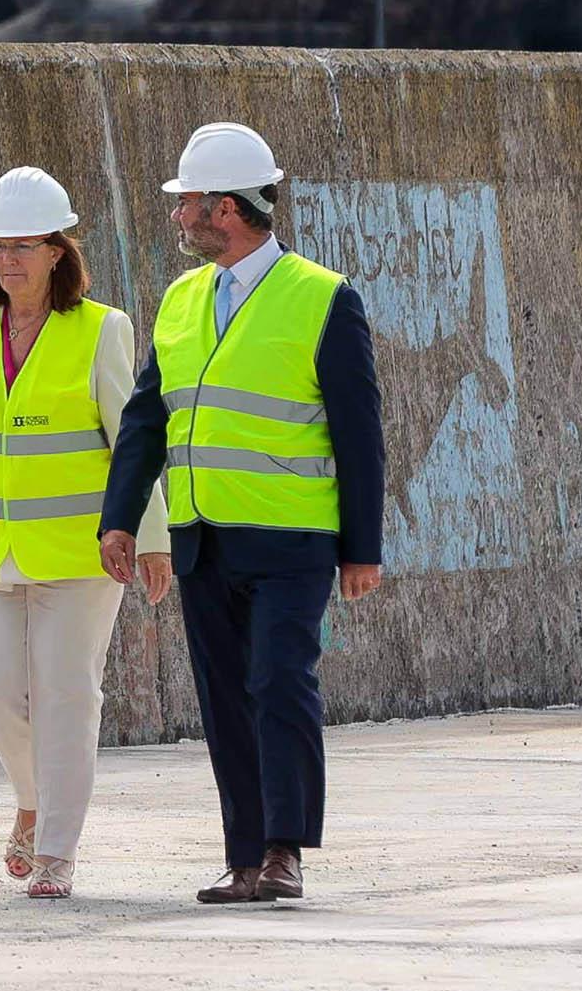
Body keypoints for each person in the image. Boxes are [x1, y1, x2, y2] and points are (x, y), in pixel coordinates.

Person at [97, 122, 386, 905]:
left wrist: (362, 549)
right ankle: (243, 855)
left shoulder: (322, 298)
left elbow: (359, 433)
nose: (177, 216)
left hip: (292, 538)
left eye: (185, 202)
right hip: (202, 539)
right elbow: (146, 418)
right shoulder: (182, 300)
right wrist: (119, 519)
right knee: (225, 697)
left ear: (224, 207)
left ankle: (285, 849)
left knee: (279, 681)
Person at [0, 167, 169, 901]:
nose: (7, 259)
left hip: (79, 555)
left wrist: (147, 535)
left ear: (57, 250)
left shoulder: (100, 329)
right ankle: (32, 797)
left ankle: (56, 846)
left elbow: (134, 443)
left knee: (65, 693)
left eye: (23, 245)